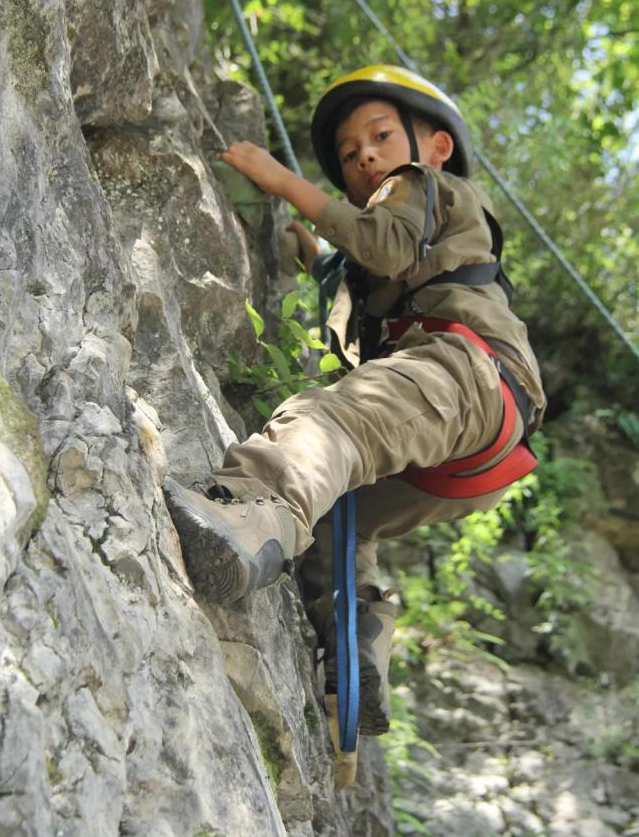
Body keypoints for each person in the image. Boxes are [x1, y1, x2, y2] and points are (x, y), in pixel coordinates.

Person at [164, 64, 546, 736]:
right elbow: (371, 268)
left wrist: (282, 181)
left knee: (325, 420)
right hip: (474, 450)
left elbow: (381, 242)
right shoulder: (394, 243)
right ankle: (358, 652)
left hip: (462, 374)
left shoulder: (419, 186)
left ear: (434, 148)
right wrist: (312, 252)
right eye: (348, 153)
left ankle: (246, 516)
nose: (364, 155)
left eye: (379, 136)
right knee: (340, 520)